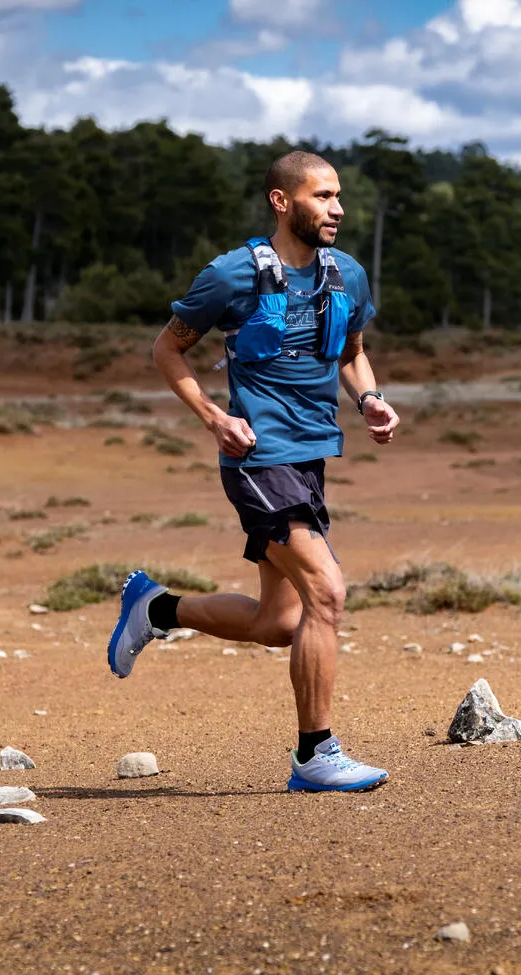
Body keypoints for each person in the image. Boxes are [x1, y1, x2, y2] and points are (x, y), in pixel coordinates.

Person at [108, 150, 400, 793]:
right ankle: (315, 756)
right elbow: (168, 348)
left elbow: (353, 352)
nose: (338, 209)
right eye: (323, 197)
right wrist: (214, 417)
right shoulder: (231, 275)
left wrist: (369, 398)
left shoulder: (346, 275)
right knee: (327, 591)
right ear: (281, 200)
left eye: (339, 197)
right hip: (256, 460)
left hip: (312, 457)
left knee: (281, 623)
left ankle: (159, 609)